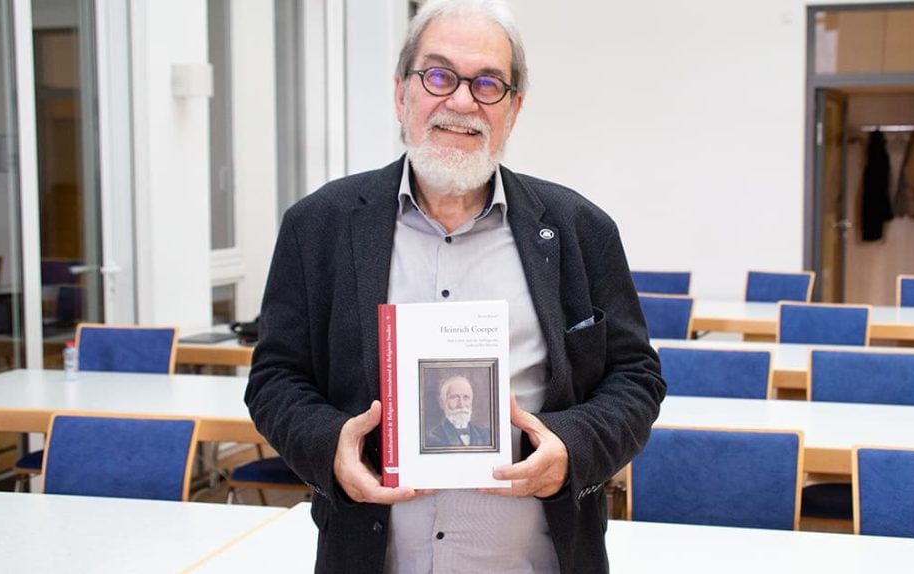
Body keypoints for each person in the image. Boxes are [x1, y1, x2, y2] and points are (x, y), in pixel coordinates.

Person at [244, 0, 665, 572]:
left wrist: (570, 448)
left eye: (489, 83)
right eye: (439, 76)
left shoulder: (577, 229)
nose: (462, 101)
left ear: (513, 109)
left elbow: (636, 378)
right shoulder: (318, 226)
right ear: (402, 93)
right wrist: (330, 447)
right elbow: (275, 378)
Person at [426, 375, 492, 448]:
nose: (461, 404)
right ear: (442, 403)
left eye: (466, 397)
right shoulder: (432, 438)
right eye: (454, 397)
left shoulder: (486, 435)